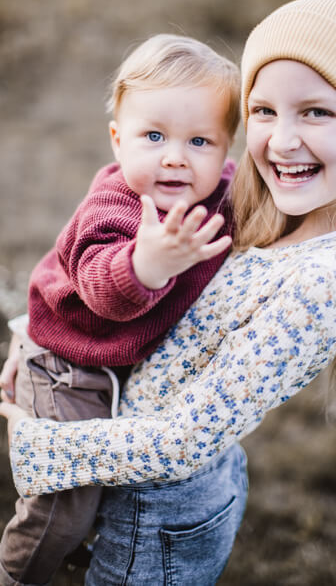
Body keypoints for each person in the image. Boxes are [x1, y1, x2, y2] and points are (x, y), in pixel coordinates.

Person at [0, 0, 336, 586]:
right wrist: (33, 336)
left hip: (160, 516)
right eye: (265, 111)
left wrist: (32, 439)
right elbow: (88, 250)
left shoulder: (326, 279)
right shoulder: (260, 205)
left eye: (317, 112)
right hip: (120, 459)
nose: (280, 141)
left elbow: (181, 441)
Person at [0, 33, 240, 585]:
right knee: (66, 502)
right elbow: (100, 288)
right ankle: (21, 573)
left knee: (113, 486)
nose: (176, 156)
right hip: (68, 366)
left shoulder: (219, 194)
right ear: (117, 140)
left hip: (117, 367)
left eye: (200, 141)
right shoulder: (115, 210)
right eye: (153, 135)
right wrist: (147, 265)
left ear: (227, 150)